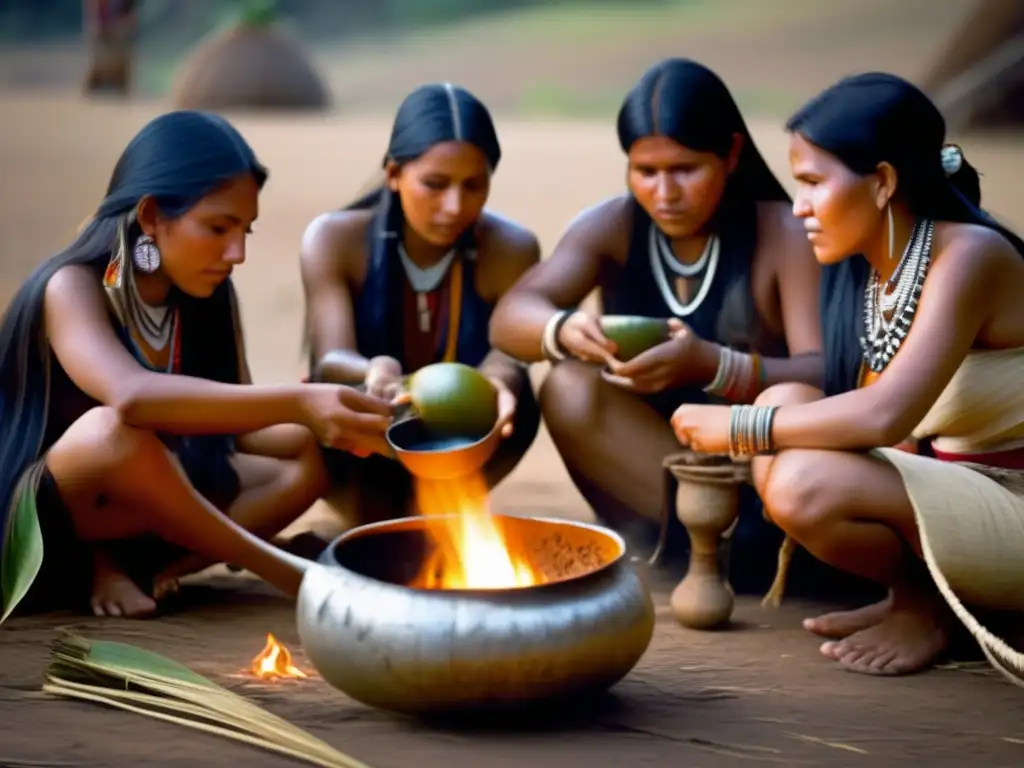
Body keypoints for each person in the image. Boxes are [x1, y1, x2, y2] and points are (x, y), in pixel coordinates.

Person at [670, 72, 1024, 682]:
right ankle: (920, 594)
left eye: (811, 182)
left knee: (801, 477)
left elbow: (886, 417)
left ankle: (929, 609)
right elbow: (887, 433)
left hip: (1013, 503)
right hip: (954, 495)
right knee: (785, 402)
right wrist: (762, 417)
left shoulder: (970, 256)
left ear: (883, 181)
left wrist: (738, 424)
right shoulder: (870, 267)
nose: (798, 204)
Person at [0, 110, 394, 622]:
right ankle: (287, 573)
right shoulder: (72, 286)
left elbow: (245, 433)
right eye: (217, 227)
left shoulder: (206, 293)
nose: (238, 252)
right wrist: (299, 401)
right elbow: (132, 397)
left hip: (143, 513)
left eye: (245, 230)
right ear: (150, 217)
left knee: (310, 454)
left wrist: (345, 418)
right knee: (111, 432)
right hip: (41, 525)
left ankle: (155, 569)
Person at [488, 58, 825, 579]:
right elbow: (512, 317)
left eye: (685, 171)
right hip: (660, 474)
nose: (664, 195)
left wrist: (714, 365)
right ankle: (688, 546)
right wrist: (563, 330)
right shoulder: (612, 227)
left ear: (731, 153)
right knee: (569, 383)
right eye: (646, 172)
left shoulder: (782, 234)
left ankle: (759, 549)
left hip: (767, 481)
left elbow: (830, 371)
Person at [300, 82, 541, 524]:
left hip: (464, 444)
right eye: (435, 184)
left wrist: (499, 379)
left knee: (520, 402)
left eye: (474, 186)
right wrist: (375, 371)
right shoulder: (335, 239)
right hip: (368, 440)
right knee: (320, 397)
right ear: (393, 174)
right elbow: (331, 359)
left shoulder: (511, 249)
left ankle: (440, 514)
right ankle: (379, 519)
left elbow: (509, 351)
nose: (454, 206)